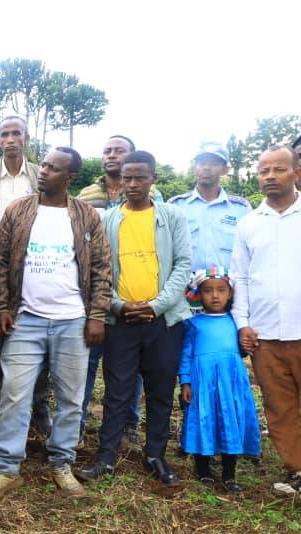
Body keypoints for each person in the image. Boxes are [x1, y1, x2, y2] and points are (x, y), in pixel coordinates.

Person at [0, 148, 111, 500]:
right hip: (26, 320)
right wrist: (2, 307)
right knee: (14, 395)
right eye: (45, 165)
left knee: (70, 398)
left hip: (72, 322)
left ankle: (62, 464)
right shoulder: (18, 210)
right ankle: (6, 469)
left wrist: (96, 315)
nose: (44, 171)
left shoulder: (86, 216)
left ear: (70, 178)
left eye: (54, 168)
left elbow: (101, 268)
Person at [77, 151, 192, 487]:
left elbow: (183, 265)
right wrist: (117, 306)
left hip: (163, 322)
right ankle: (106, 456)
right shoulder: (109, 220)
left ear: (153, 178)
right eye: (127, 178)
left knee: (159, 390)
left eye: (140, 177)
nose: (132, 184)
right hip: (121, 321)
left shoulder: (171, 216)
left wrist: (156, 306)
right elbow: (98, 270)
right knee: (117, 390)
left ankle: (155, 454)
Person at [0, 116, 50, 464]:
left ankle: (39, 408)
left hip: (41, 276)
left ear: (26, 137)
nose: (9, 139)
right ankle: (0, 423)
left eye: (15, 133)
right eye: (4, 134)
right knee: (1, 349)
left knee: (43, 344)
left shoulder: (42, 176)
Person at [77, 135, 158, 445]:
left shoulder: (156, 197)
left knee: (131, 368)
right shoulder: (87, 193)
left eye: (119, 151)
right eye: (107, 150)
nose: (111, 155)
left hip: (134, 297)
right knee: (87, 363)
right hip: (95, 296)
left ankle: (128, 427)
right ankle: (79, 425)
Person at [231, 145, 301, 496]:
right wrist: (243, 323)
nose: (270, 176)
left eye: (279, 169)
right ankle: (297, 470)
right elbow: (240, 278)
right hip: (266, 334)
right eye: (264, 171)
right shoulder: (248, 224)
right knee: (280, 407)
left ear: (297, 173)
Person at [178, 268, 260, 493]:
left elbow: (242, 351)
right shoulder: (193, 323)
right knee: (203, 418)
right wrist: (185, 381)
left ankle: (229, 474)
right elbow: (185, 354)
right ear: (198, 294)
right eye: (208, 291)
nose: (215, 296)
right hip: (202, 383)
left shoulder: (236, 323)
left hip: (230, 382)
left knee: (229, 419)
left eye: (221, 290)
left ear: (231, 294)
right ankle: (203, 470)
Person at [169, 142, 250, 274]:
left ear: (225, 170)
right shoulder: (176, 206)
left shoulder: (241, 208)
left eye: (214, 163)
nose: (207, 168)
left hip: (229, 288)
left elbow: (249, 251)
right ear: (194, 168)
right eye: (201, 163)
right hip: (186, 288)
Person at [77, 135, 163, 209]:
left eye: (119, 151)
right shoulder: (85, 194)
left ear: (132, 155)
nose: (111, 156)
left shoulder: (151, 193)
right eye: (107, 152)